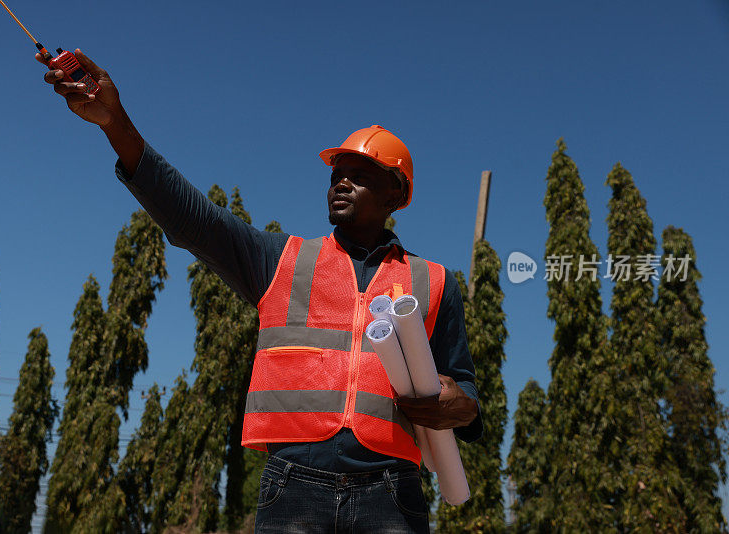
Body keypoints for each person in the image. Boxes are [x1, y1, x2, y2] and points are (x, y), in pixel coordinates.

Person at [39, 49, 483, 534]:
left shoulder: (433, 282)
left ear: (396, 194)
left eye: (361, 176)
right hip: (294, 489)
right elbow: (194, 221)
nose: (342, 183)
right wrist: (116, 125)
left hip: (392, 494)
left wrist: (463, 406)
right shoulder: (280, 260)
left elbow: (463, 387)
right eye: (337, 174)